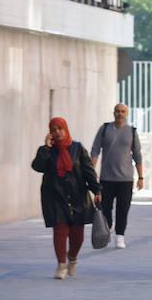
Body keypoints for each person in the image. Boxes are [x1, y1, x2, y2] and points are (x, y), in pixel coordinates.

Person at [31, 117, 101, 279]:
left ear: (66, 129)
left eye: (60, 128)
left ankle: (72, 258)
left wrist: (97, 190)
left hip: (78, 197)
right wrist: (46, 148)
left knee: (77, 236)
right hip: (55, 197)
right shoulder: (48, 151)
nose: (57, 132)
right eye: (53, 130)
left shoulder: (77, 148)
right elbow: (37, 167)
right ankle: (61, 264)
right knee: (60, 231)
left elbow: (88, 171)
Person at [91, 103, 143, 249]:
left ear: (127, 114)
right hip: (106, 178)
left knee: (123, 208)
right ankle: (109, 225)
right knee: (105, 207)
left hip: (125, 179)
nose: (120, 114)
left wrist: (141, 177)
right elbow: (95, 150)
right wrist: (92, 169)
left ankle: (120, 236)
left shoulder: (131, 132)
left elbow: (137, 155)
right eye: (117, 111)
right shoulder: (104, 129)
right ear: (113, 113)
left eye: (123, 111)